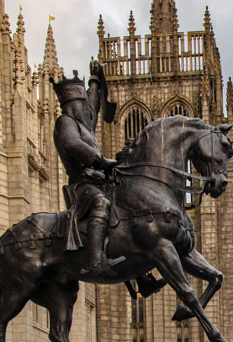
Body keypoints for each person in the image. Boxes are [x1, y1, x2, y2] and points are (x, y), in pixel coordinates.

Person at [51, 63, 165, 296]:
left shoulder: (84, 125)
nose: (85, 106)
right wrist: (101, 161)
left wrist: (94, 79)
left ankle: (142, 277)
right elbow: (73, 145)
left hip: (98, 182)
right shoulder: (65, 123)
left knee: (131, 216)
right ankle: (95, 260)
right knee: (102, 204)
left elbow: (93, 107)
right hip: (82, 186)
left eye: (85, 102)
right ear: (71, 104)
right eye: (80, 102)